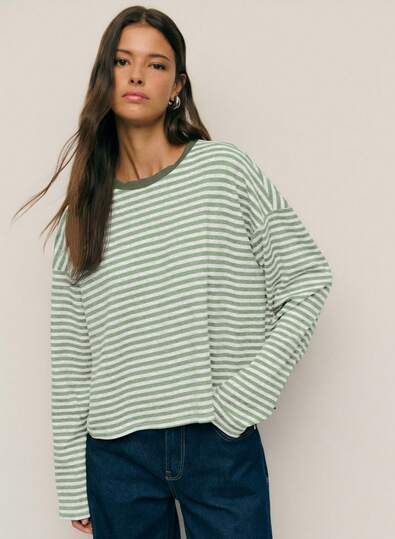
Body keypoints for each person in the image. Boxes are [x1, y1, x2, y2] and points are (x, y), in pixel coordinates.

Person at [16, 5, 333, 538]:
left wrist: (245, 397)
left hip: (219, 442)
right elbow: (72, 359)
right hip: (117, 458)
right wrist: (72, 480)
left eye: (156, 64)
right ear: (104, 77)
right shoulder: (86, 211)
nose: (137, 75)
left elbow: (308, 281)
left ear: (177, 86)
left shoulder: (223, 171)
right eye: (122, 61)